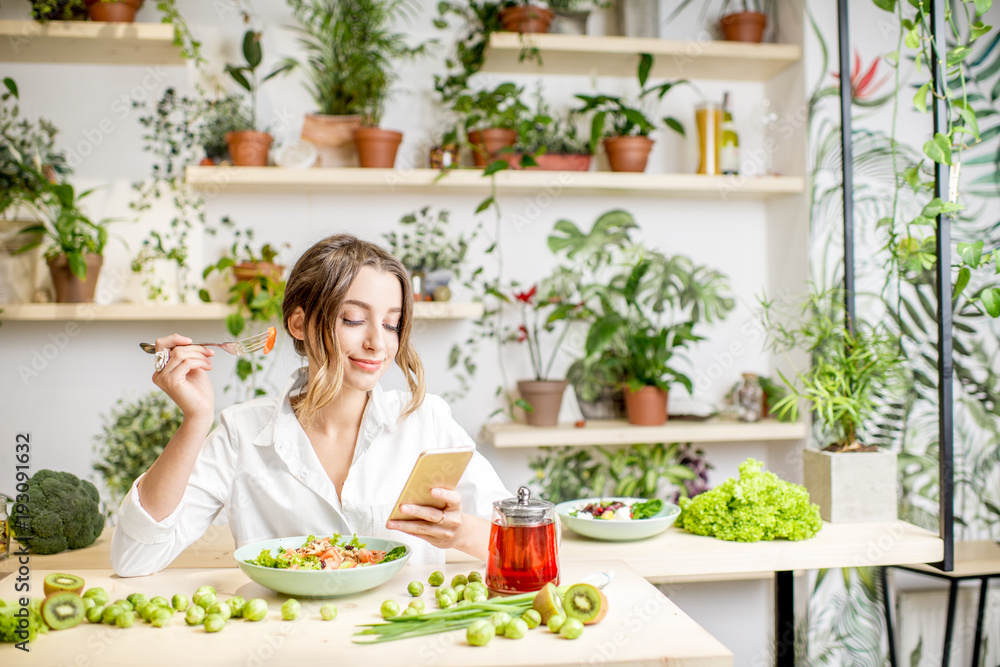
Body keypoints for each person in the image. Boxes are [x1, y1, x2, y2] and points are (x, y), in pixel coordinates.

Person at [111, 234, 511, 577]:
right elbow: (134, 557)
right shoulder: (242, 433)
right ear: (299, 323)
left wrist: (459, 532)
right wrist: (195, 419)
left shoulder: (426, 421)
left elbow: (532, 542)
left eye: (392, 324)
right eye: (354, 319)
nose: (378, 342)